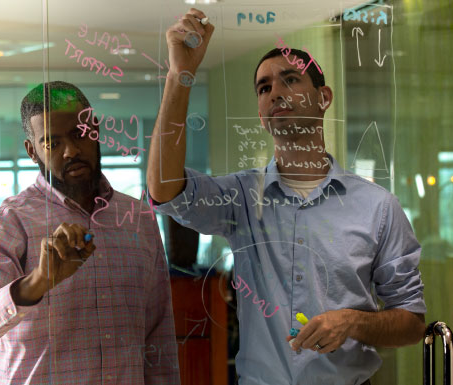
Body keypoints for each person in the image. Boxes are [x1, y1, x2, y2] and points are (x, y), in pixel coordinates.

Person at [147, 8, 426, 385]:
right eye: (264, 88)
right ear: (262, 116)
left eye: (290, 79)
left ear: (324, 97)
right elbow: (165, 189)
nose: (275, 92)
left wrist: (352, 321)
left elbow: (411, 324)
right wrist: (180, 75)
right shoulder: (241, 198)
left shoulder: (378, 208)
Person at [0, 81, 180, 384]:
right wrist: (37, 282)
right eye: (52, 143)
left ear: (95, 130)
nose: (71, 150)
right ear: (32, 151)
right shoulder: (8, 223)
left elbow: (158, 334)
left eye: (79, 134)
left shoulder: (138, 219)